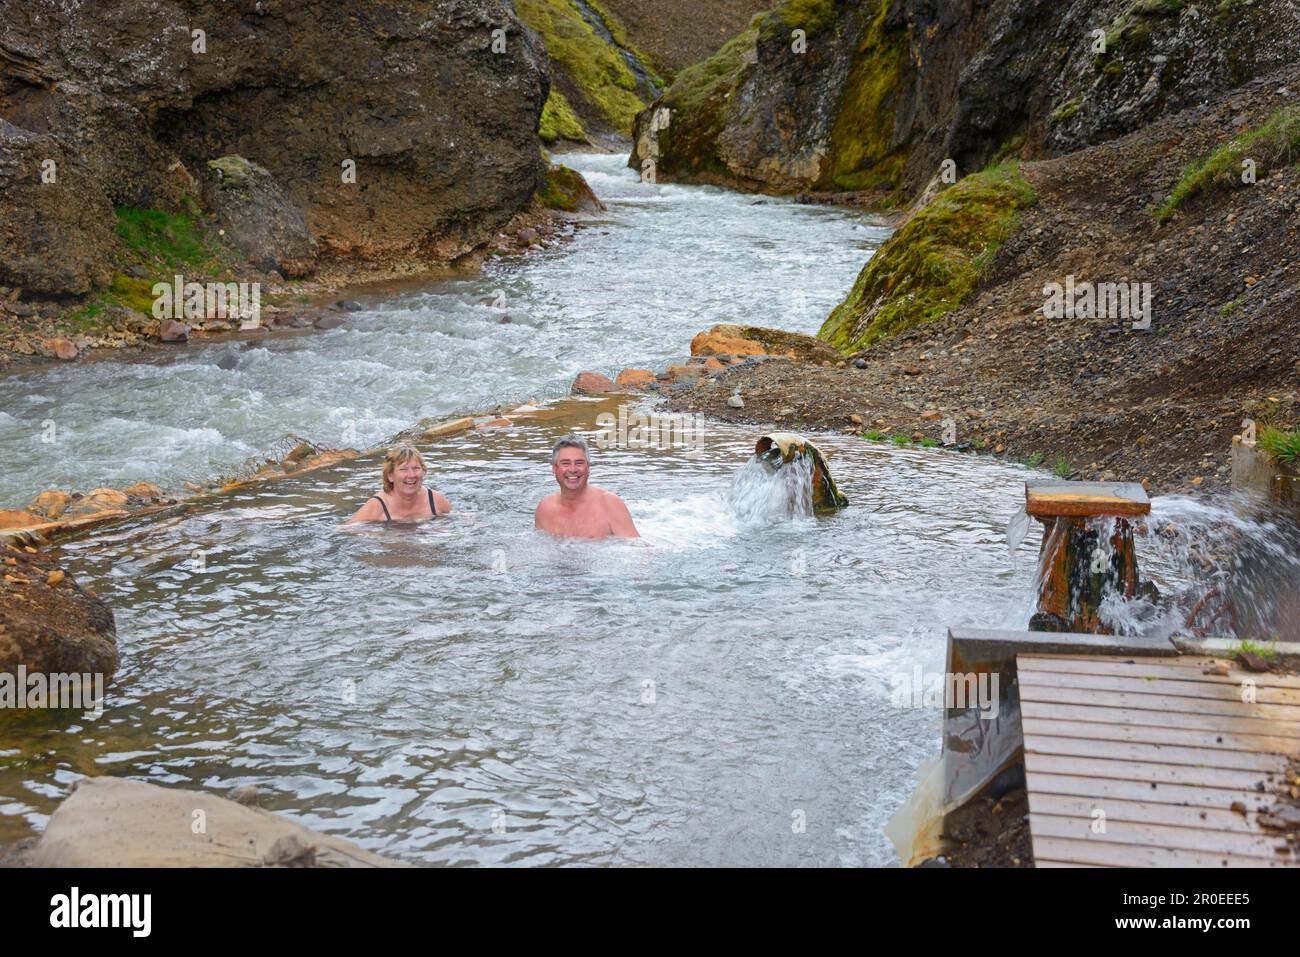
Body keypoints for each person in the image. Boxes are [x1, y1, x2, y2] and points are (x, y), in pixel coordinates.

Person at [535, 434, 638, 539]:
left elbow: (638, 550)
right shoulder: (545, 508)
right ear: (554, 468)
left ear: (588, 468)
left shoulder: (610, 505)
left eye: (579, 463)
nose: (573, 469)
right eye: (565, 463)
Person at [347, 443, 451, 523]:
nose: (411, 475)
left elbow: (458, 521)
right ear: (390, 475)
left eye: (416, 468)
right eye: (403, 469)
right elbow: (346, 530)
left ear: (423, 471)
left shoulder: (435, 499)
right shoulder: (378, 505)